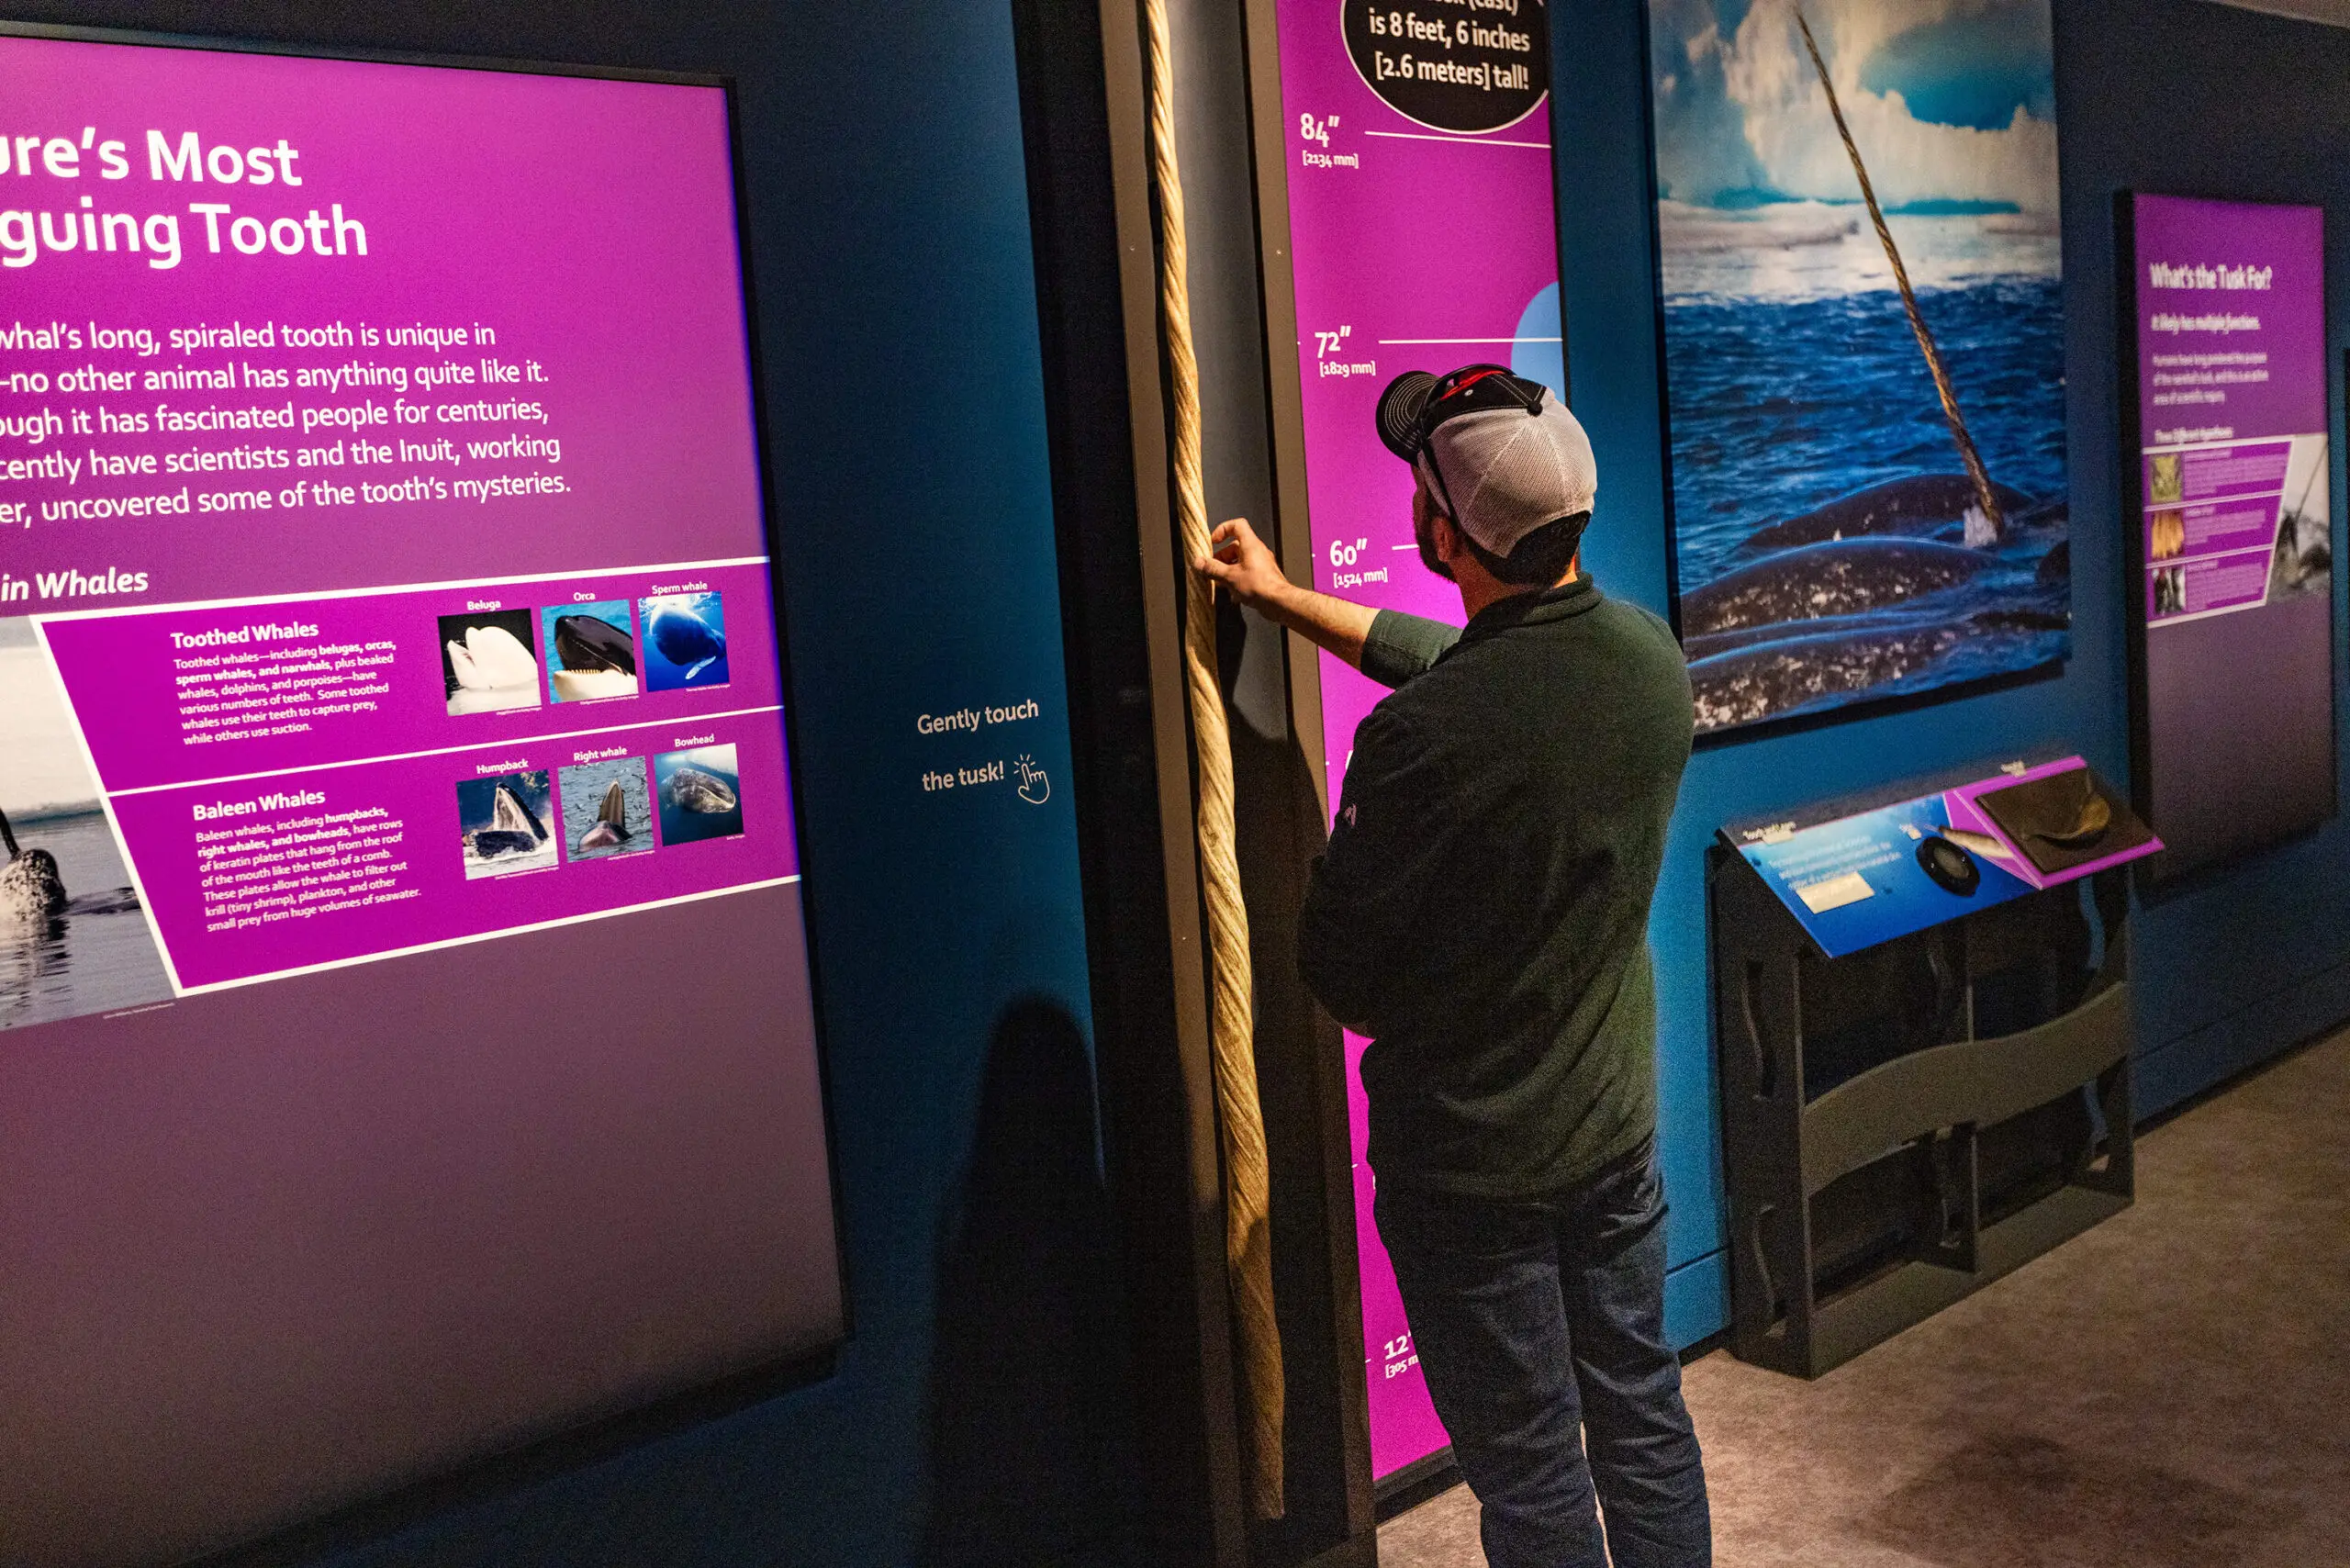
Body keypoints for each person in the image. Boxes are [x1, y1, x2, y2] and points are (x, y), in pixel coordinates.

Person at [1196, 365, 1710, 1568]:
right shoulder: (1647, 662)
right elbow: (1475, 663)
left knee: (1529, 1470)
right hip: (1613, 1135)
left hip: (1473, 1171)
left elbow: (1345, 976)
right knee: (1641, 1410)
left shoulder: (1421, 741)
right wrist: (1284, 601)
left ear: (1445, 525)